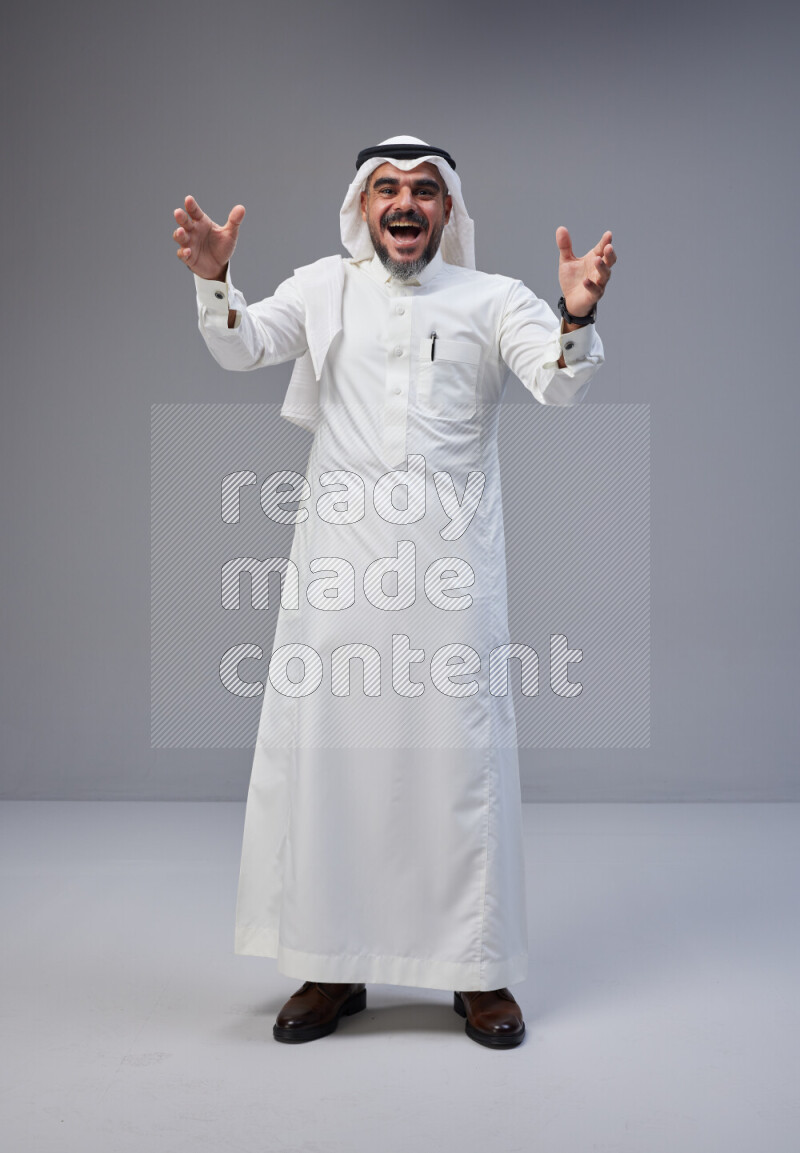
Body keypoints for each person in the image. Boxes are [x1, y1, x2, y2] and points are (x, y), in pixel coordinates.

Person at [172, 136, 615, 1049]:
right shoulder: (320, 286)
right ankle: (333, 964)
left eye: (422, 190)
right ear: (362, 206)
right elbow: (245, 346)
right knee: (336, 763)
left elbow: (558, 386)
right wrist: (217, 282)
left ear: (448, 210)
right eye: (387, 189)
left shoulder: (493, 299)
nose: (405, 204)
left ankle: (478, 972)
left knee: (460, 768)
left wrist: (574, 315)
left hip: (454, 582)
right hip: (339, 571)